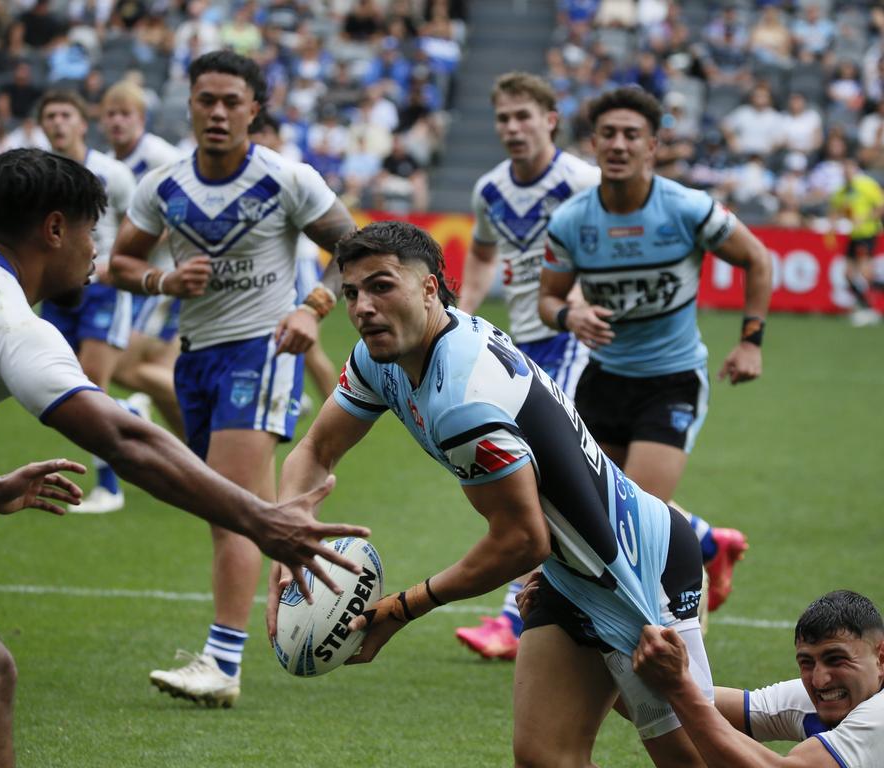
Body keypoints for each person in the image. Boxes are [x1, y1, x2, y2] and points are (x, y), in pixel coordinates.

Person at [0, 148, 369, 767]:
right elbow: (125, 440)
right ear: (54, 229)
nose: (96, 251)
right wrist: (262, 521)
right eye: (90, 232)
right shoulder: (5, 319)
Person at [267, 219, 712, 768]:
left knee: (691, 760)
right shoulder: (382, 356)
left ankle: (805, 723)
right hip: (570, 574)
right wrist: (287, 542)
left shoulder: (460, 399)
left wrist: (402, 608)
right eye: (352, 292)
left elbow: (523, 540)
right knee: (545, 756)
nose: (362, 307)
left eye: (383, 286)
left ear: (430, 287)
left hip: (638, 574)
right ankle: (779, 713)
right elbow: (315, 449)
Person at [109, 51, 357, 708]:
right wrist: (163, 279)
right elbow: (118, 263)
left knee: (231, 512)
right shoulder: (162, 186)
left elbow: (354, 250)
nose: (217, 112)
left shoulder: (287, 179)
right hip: (195, 357)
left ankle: (222, 663)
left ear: (254, 109)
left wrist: (313, 308)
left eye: (231, 101)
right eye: (205, 99)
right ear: (189, 103)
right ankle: (305, 565)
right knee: (235, 509)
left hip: (262, 351)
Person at [539, 86, 773, 616]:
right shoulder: (572, 222)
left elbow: (757, 259)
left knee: (637, 522)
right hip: (603, 380)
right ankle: (710, 547)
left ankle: (670, 625)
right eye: (608, 134)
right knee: (585, 512)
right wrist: (569, 315)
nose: (619, 144)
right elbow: (548, 298)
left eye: (632, 135)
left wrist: (750, 343)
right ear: (593, 143)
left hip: (671, 380)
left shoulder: (686, 209)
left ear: (652, 146)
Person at [454, 71, 599, 661]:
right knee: (584, 476)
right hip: (520, 346)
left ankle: (516, 617)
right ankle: (702, 541)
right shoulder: (489, 190)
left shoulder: (583, 182)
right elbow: (485, 257)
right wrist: (459, 319)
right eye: (503, 118)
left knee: (533, 472)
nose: (512, 128)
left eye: (523, 117)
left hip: (575, 338)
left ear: (551, 120)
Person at [633, 589, 884, 766]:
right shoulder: (826, 697)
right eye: (806, 663)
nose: (819, 680)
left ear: (880, 658)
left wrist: (678, 686)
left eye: (836, 659)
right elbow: (702, 705)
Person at [37, 89, 139, 515]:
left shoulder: (111, 173)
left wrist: (120, 265)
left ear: (82, 123)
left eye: (66, 114)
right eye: (50, 115)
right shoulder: (37, 174)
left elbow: (140, 226)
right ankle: (131, 413)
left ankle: (109, 487)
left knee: (91, 385)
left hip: (103, 288)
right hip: (57, 291)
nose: (58, 122)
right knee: (61, 386)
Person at [100, 80, 186, 439]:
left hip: (164, 276)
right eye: (110, 114)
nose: (118, 122)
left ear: (142, 118)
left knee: (118, 365)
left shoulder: (160, 157)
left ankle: (204, 433)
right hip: (135, 277)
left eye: (125, 114)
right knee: (156, 370)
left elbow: (183, 210)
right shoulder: (108, 163)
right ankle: (198, 449)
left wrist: (137, 245)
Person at [249, 109, 339, 401]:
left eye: (264, 132)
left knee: (307, 347)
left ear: (276, 137)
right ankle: (294, 398)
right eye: (254, 132)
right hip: (277, 267)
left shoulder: (286, 171)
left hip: (299, 265)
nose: (258, 138)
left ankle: (337, 407)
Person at [826, 158, 884, 327]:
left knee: (864, 272)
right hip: (854, 235)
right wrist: (833, 223)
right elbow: (836, 209)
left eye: (849, 168)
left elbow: (880, 206)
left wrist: (864, 219)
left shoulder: (866, 185)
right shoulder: (842, 191)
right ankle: (867, 308)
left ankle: (869, 308)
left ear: (856, 169)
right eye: (844, 169)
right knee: (848, 274)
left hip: (867, 233)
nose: (847, 172)